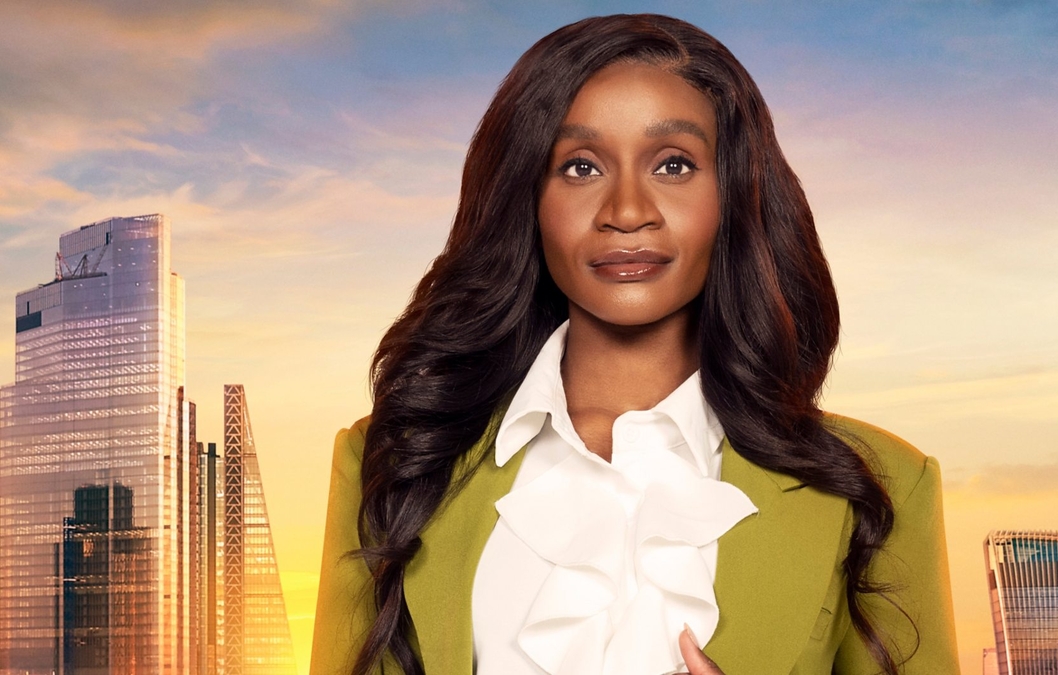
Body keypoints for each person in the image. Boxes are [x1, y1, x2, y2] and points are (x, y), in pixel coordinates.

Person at [311, 13, 959, 675]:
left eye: (673, 164)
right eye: (580, 166)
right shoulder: (393, 460)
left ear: (732, 194)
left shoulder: (881, 484)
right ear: (525, 199)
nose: (626, 210)